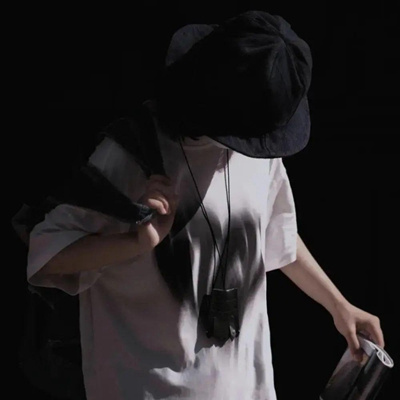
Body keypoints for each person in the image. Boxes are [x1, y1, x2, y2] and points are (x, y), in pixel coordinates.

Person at [26, 10, 384, 400]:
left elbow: (275, 232)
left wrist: (339, 305)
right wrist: (136, 241)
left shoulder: (257, 146)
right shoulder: (132, 155)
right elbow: (45, 257)